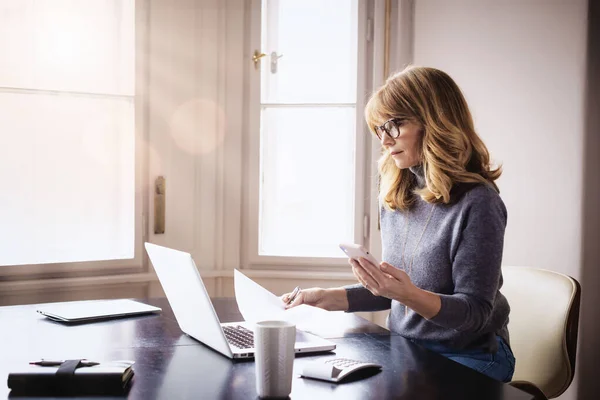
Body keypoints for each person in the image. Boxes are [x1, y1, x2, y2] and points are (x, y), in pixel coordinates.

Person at [281, 66, 516, 383]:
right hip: (410, 350)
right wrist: (326, 297)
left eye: (394, 125)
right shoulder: (396, 192)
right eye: (379, 129)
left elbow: (475, 314)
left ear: (433, 120)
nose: (385, 139)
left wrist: (404, 295)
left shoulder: (479, 204)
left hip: (470, 356)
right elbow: (399, 293)